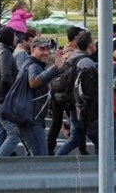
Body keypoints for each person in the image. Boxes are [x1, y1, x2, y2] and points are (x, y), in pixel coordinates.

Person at [15, 38, 64, 156]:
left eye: (47, 49)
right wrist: (55, 68)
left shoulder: (30, 64)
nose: (46, 53)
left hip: (28, 118)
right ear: (32, 49)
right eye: (42, 49)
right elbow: (33, 82)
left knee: (34, 157)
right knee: (40, 157)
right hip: (31, 120)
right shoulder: (34, 65)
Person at [56, 31, 98, 155]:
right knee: (102, 141)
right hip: (85, 110)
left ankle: (55, 161)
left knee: (74, 138)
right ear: (90, 45)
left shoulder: (72, 58)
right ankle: (100, 169)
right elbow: (89, 91)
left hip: (73, 107)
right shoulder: (86, 63)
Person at [47, 25, 85, 155]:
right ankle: (80, 148)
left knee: (59, 122)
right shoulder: (72, 52)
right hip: (65, 93)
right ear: (75, 38)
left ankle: (51, 147)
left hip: (59, 92)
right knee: (76, 122)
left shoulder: (66, 49)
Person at [0, 26, 20, 157]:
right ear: (9, 37)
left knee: (0, 134)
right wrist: (16, 92)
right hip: (2, 100)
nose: (16, 38)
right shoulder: (5, 53)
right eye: (14, 36)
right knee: (14, 136)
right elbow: (6, 77)